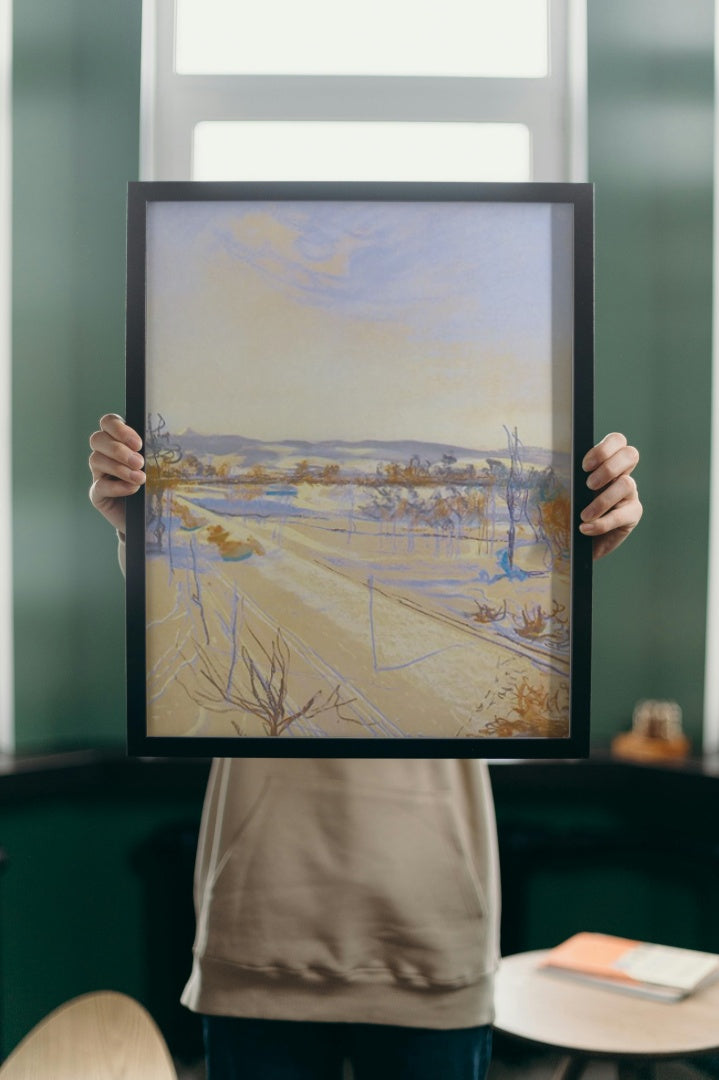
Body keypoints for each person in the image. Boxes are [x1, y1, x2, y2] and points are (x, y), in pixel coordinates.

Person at [89, 417, 642, 1080]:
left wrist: (568, 561)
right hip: (261, 929)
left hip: (433, 932)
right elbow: (178, 613)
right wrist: (137, 520)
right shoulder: (212, 526)